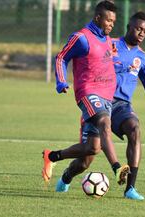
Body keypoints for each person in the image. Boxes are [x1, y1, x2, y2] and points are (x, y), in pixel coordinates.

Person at [53, 11, 145, 200]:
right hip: (100, 101)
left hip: (121, 106)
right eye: (138, 28)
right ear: (129, 27)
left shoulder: (143, 58)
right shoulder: (109, 44)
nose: (142, 33)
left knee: (135, 129)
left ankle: (130, 188)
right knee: (87, 157)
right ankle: (66, 176)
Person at [42, 0, 130, 191]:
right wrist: (61, 81)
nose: (111, 24)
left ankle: (53, 158)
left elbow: (110, 63)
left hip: (107, 98)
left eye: (114, 21)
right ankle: (117, 168)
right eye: (108, 21)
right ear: (98, 18)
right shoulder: (81, 38)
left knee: (90, 152)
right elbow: (61, 57)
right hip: (88, 93)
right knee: (105, 122)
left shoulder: (108, 40)